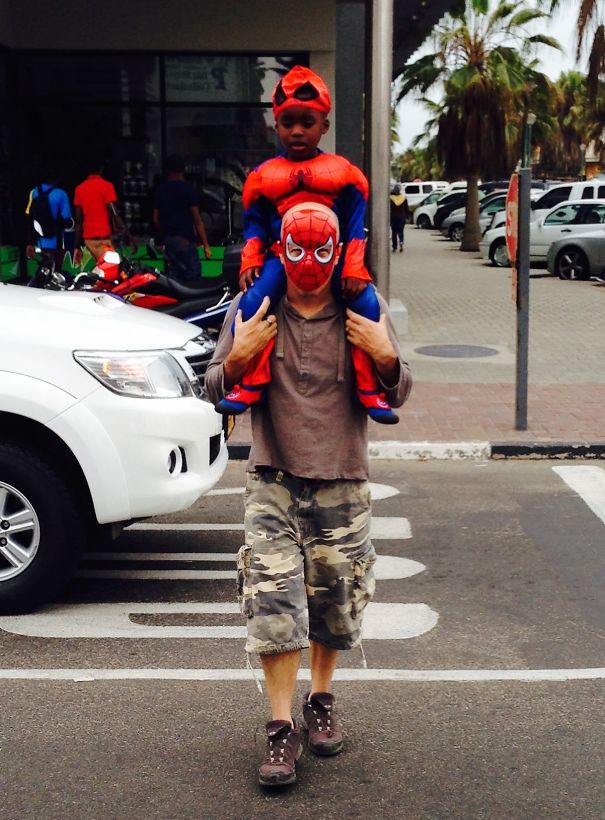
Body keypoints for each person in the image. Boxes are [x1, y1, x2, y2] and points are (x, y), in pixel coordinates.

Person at [205, 202, 412, 788]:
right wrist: (239, 355)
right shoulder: (256, 308)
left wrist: (385, 354)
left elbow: (399, 390)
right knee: (274, 603)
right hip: (272, 478)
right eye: (297, 248)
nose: (310, 262)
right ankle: (279, 727)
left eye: (322, 249)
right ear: (282, 248)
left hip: (343, 476)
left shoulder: (361, 306)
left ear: (337, 250)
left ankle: (320, 699)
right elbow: (214, 385)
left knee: (335, 602)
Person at [214, 65, 399, 425]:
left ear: (324, 125)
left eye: (307, 122)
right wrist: (251, 258)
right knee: (251, 305)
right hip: (282, 257)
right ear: (276, 125)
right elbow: (254, 224)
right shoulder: (263, 176)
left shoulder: (344, 173)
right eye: (288, 123)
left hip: (332, 257)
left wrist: (354, 265)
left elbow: (354, 224)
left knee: (366, 305)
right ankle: (251, 382)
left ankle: (368, 387)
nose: (297, 131)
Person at [152, 154, 212, 281]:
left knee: (173, 280)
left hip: (169, 243)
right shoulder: (188, 190)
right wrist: (205, 244)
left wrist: (165, 234)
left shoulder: (161, 190)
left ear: (167, 170)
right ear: (183, 170)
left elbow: (156, 219)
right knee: (193, 281)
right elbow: (197, 219)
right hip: (186, 242)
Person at [73, 160, 133, 264]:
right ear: (101, 169)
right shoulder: (107, 186)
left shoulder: (79, 189)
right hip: (103, 240)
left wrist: (76, 245)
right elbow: (114, 214)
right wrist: (129, 237)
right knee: (110, 269)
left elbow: (78, 220)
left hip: (88, 241)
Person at [25, 165, 73, 269]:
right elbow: (67, 220)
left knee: (42, 269)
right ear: (58, 178)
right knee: (55, 270)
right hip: (55, 242)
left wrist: (29, 242)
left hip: (38, 242)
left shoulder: (34, 192)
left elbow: (29, 217)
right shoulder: (61, 194)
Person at [389, 185, 409, 252]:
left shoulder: (391, 198)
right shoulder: (403, 198)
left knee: (394, 232)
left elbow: (389, 208)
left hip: (393, 217)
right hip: (402, 217)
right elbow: (406, 208)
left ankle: (394, 246)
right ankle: (401, 242)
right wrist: (407, 217)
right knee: (401, 231)